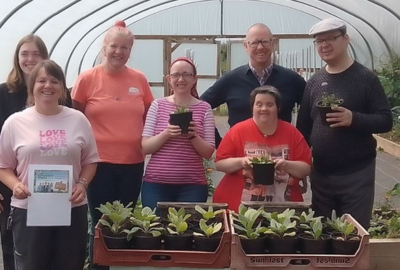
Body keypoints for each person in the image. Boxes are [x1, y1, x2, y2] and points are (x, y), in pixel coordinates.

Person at [0, 60, 99, 270]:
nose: (48, 86)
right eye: (41, 80)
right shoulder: (15, 123)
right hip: (28, 209)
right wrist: (15, 185)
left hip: (71, 208)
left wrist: (82, 184)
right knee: (31, 265)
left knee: (69, 264)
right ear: (32, 86)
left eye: (54, 81)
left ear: (63, 87)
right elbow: (3, 166)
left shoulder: (78, 120)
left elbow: (90, 160)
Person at [71, 20, 154, 270]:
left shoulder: (139, 79)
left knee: (124, 223)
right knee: (100, 224)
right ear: (103, 47)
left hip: (132, 162)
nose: (118, 52)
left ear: (130, 51)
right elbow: (76, 118)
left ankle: (117, 265)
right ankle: (97, 266)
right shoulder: (87, 79)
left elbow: (149, 115)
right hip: (98, 164)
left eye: (125, 48)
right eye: (113, 46)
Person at [296, 17, 393, 229]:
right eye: (319, 41)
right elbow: (302, 130)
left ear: (346, 39)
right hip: (320, 174)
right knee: (320, 236)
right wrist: (300, 169)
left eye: (331, 38)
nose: (324, 45)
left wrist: (353, 118)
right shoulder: (314, 82)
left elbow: (386, 120)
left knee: (354, 235)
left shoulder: (365, 78)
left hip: (356, 174)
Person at [0, 34, 72, 270]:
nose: (30, 59)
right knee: (14, 245)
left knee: (53, 248)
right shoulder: (3, 94)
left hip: (54, 187)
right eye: (24, 54)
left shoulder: (60, 95)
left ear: (44, 57)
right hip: (11, 183)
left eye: (36, 54)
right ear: (17, 58)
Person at [201, 23, 306, 146]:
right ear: (246, 46)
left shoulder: (291, 79)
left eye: (265, 42)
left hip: (281, 157)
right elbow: (200, 108)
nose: (260, 47)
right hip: (240, 158)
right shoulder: (230, 80)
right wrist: (221, 143)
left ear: (273, 44)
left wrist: (301, 142)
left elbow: (311, 110)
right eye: (254, 43)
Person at [213, 86, 311, 211]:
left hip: (284, 208)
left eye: (269, 104)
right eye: (258, 104)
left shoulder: (292, 133)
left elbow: (306, 168)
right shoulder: (238, 131)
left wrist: (286, 164)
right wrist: (241, 161)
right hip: (238, 206)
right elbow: (220, 164)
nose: (264, 108)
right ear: (252, 107)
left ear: (278, 108)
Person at [141, 57, 215, 210]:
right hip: (156, 184)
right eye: (176, 75)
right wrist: (166, 133)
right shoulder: (157, 105)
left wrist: (193, 136)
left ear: (194, 79)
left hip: (192, 186)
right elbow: (145, 147)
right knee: (156, 229)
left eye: (186, 74)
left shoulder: (204, 108)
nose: (181, 79)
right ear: (169, 79)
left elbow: (208, 152)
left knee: (187, 230)